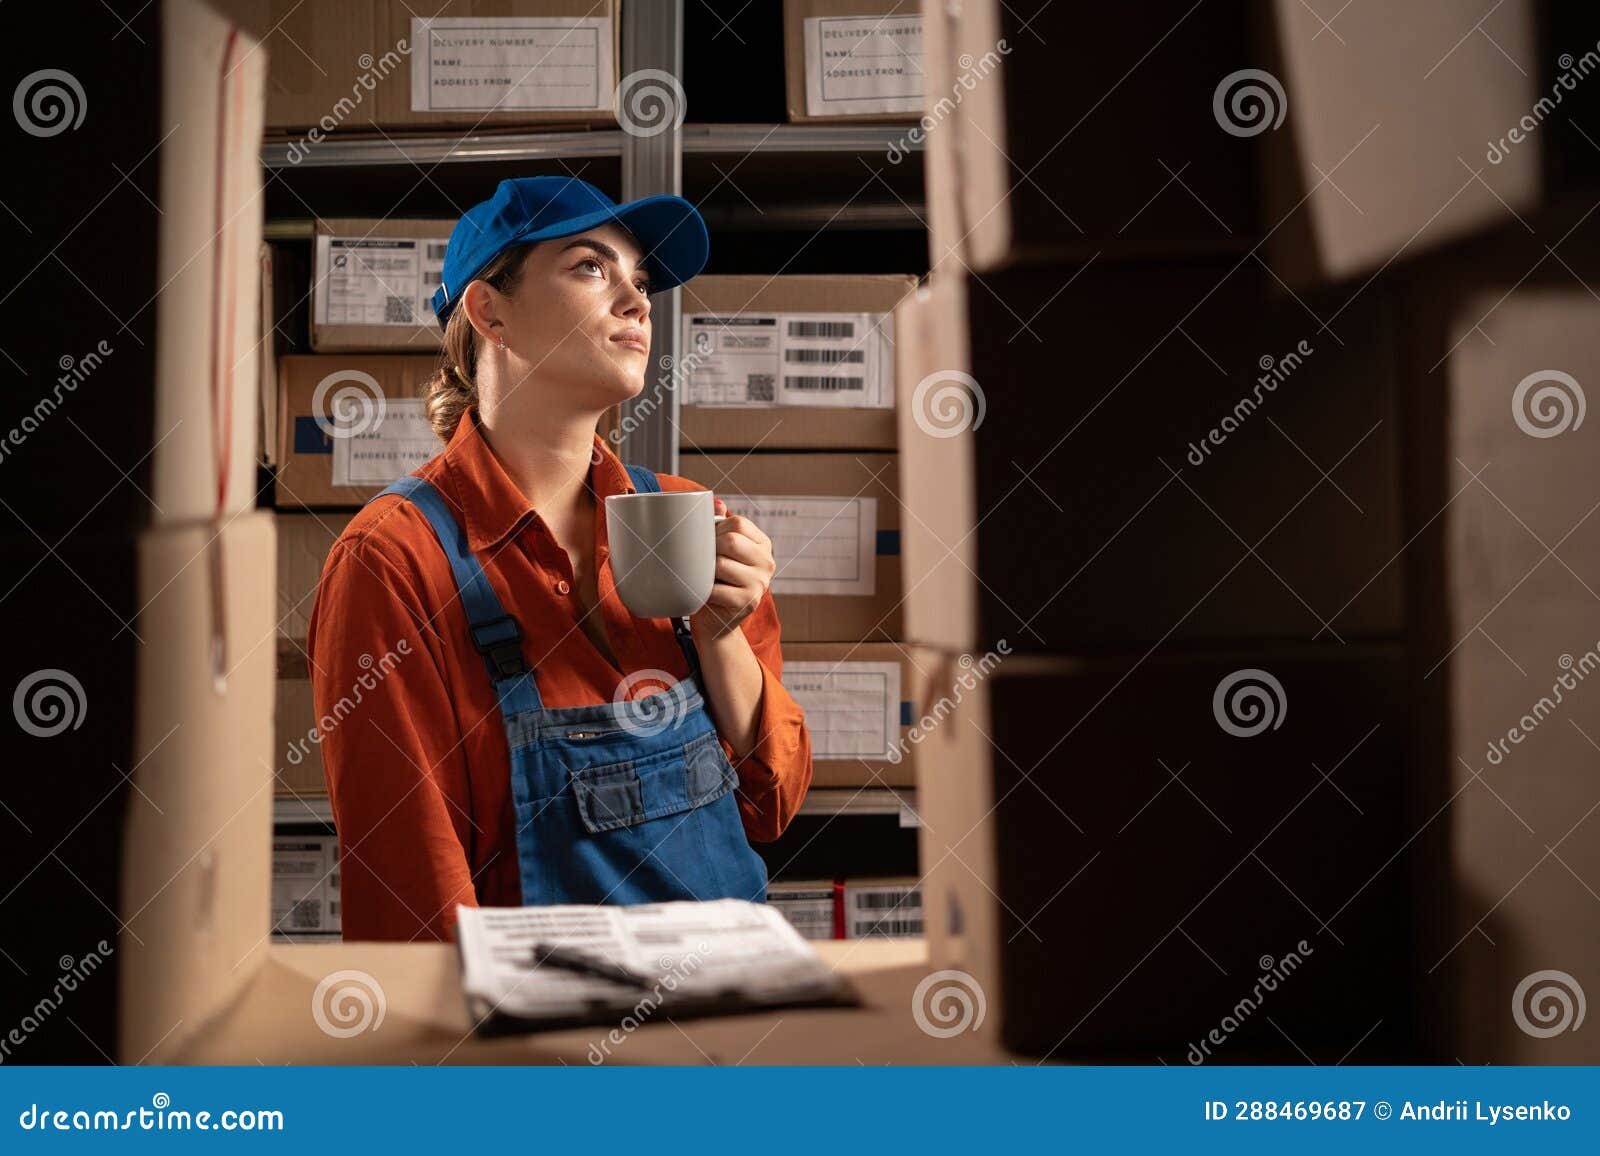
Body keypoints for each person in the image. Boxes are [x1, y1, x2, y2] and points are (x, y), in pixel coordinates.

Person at [304, 177, 814, 942]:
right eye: (590, 267)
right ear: (489, 311)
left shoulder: (690, 517)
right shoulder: (395, 558)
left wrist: (718, 630)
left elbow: (769, 804)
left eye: (640, 281)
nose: (638, 302)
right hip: (545, 1040)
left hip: (733, 1018)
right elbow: (411, 897)